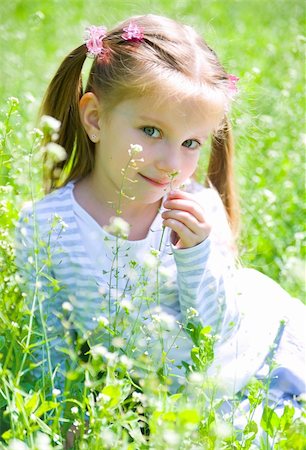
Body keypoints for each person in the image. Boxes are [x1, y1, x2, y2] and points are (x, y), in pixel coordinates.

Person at [15, 14, 305, 437]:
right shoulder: (45, 226)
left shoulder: (198, 212)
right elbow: (47, 343)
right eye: (151, 130)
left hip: (236, 375)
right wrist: (65, 420)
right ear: (95, 118)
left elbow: (215, 332)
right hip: (142, 397)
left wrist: (195, 255)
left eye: (191, 143)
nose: (172, 163)